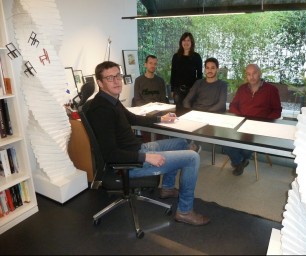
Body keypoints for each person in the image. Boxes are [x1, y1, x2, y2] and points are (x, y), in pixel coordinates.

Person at [86, 61, 210, 226]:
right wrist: (146, 157)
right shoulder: (101, 109)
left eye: (118, 76)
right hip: (128, 164)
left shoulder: (111, 100)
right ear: (100, 83)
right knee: (192, 157)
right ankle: (185, 212)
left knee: (181, 142)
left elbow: (134, 118)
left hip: (136, 149)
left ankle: (166, 188)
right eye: (110, 78)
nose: (116, 81)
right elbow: (111, 154)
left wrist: (161, 119)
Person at [222, 64, 282, 176]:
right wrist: (240, 118)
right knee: (224, 142)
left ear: (260, 73)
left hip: (259, 127)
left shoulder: (271, 90)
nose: (251, 77)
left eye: (254, 73)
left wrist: (263, 121)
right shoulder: (242, 89)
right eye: (248, 74)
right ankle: (240, 161)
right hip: (240, 124)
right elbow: (233, 106)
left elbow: (277, 111)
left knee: (246, 147)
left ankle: (238, 161)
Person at [170, 32, 202, 112]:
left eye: (188, 40)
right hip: (178, 90)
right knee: (179, 111)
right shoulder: (176, 57)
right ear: (181, 42)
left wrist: (196, 90)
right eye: (184, 40)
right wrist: (172, 90)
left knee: (189, 112)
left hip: (192, 90)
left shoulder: (196, 57)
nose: (186, 42)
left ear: (192, 43)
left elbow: (199, 76)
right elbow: (173, 74)